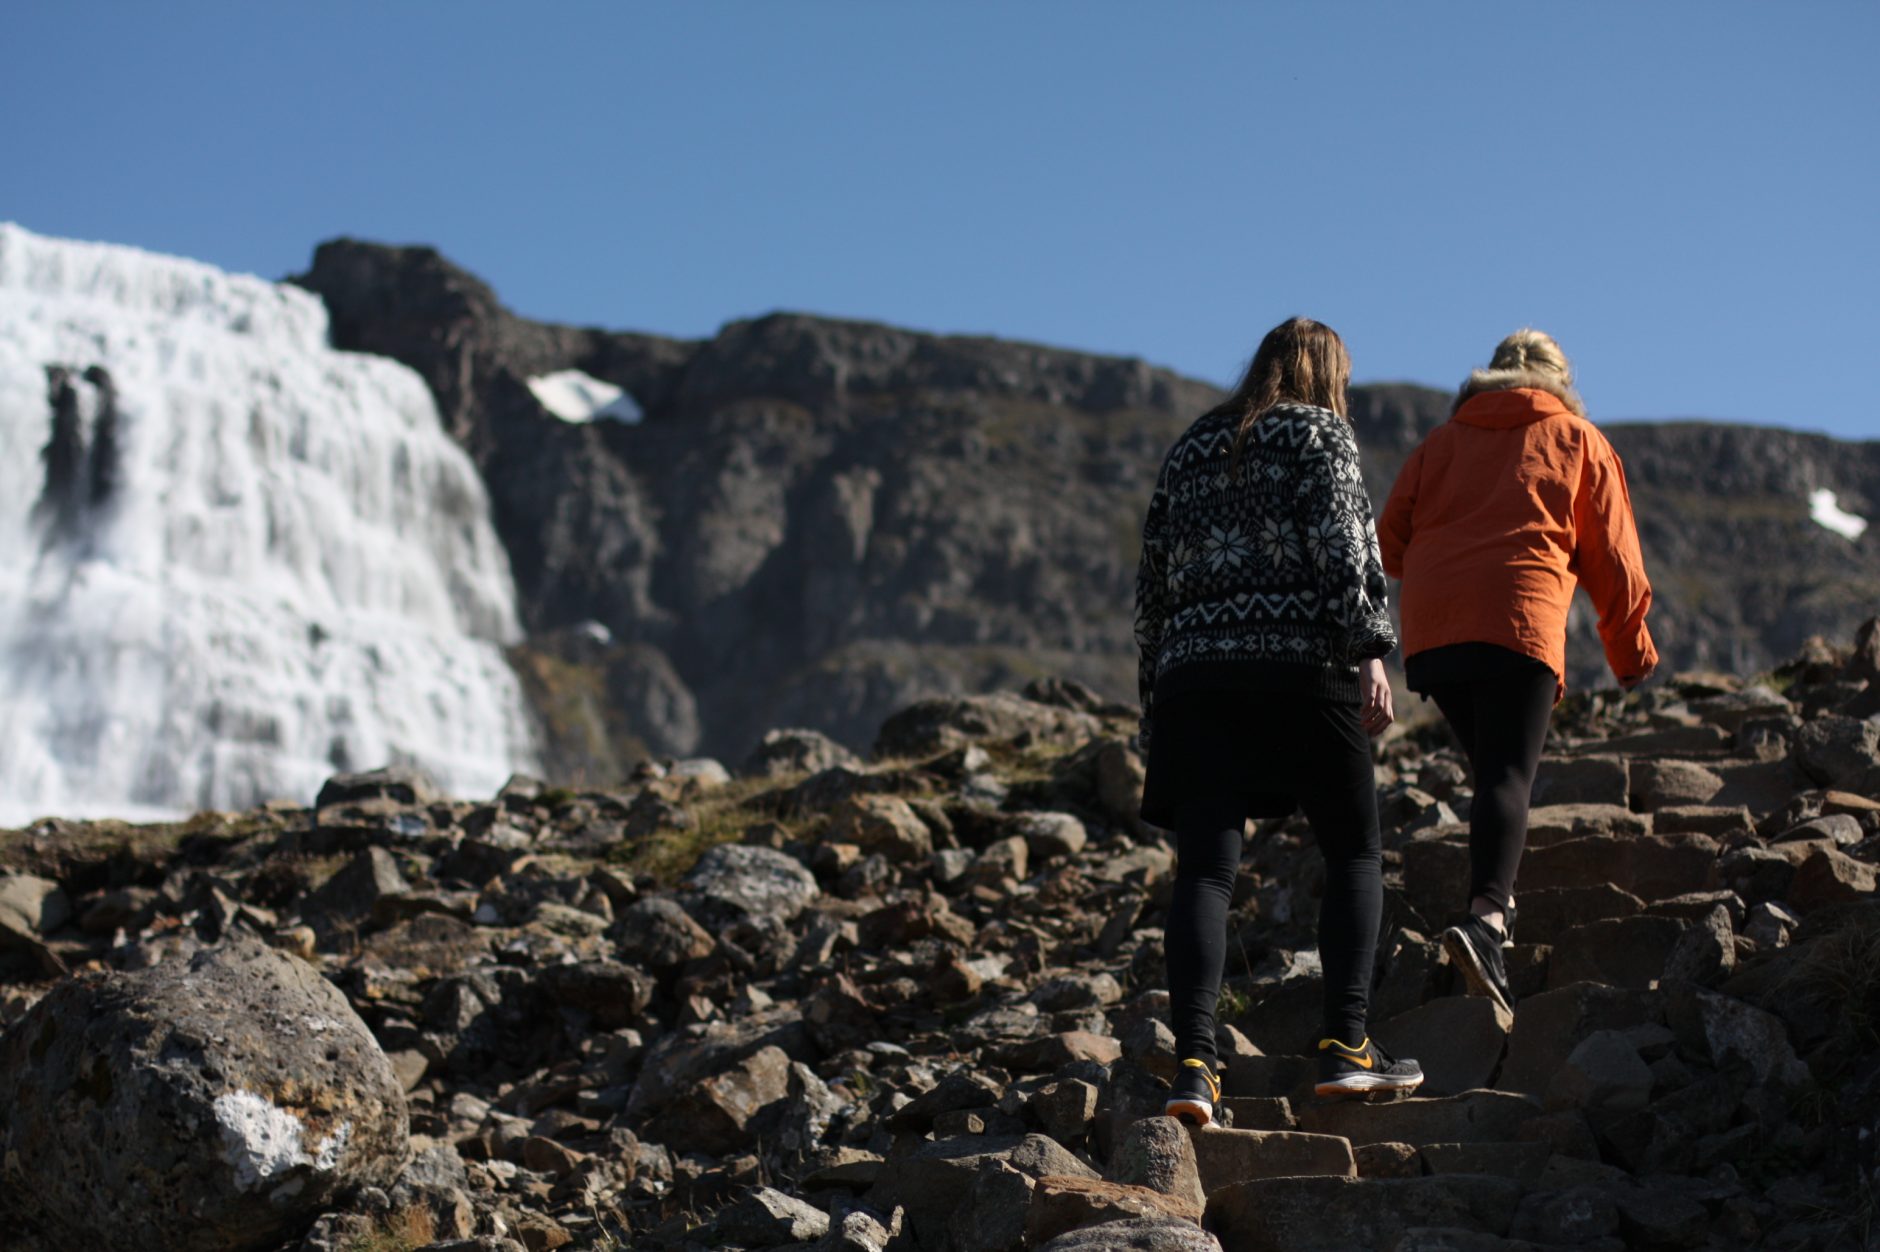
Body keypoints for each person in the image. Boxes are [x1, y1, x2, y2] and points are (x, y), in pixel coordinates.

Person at [1136, 316, 1425, 1126]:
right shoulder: (1320, 434)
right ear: (1328, 374)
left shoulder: (1190, 448)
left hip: (1195, 681)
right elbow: (1345, 548)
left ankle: (1195, 1067)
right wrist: (1371, 651)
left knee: (1205, 875)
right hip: (1302, 668)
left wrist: (1156, 698)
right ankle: (1347, 1047)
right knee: (1354, 850)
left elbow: (1152, 586)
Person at [1378, 329, 1657, 1016]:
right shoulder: (1577, 439)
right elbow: (1614, 557)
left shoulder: (1439, 444)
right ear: (1561, 380)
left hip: (1436, 634)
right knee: (1508, 774)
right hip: (1518, 620)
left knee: (1493, 770)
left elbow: (1388, 544)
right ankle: (1487, 922)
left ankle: (1493, 907)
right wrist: (1630, 655)